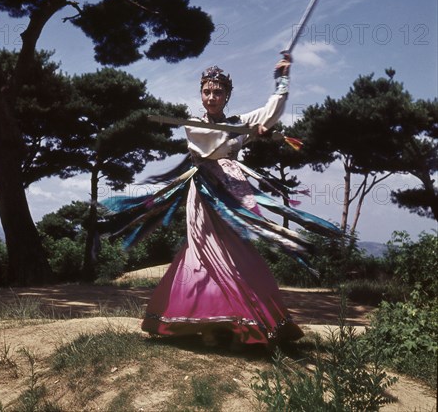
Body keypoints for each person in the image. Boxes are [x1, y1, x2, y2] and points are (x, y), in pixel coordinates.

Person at [103, 56, 340, 347]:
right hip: (205, 194)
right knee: (205, 251)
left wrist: (282, 82)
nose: (211, 97)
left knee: (238, 252)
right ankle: (206, 322)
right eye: (207, 91)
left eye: (217, 92)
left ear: (227, 95)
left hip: (235, 194)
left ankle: (237, 320)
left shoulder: (237, 122)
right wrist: (247, 135)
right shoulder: (194, 126)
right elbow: (214, 148)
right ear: (201, 94)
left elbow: (270, 113)